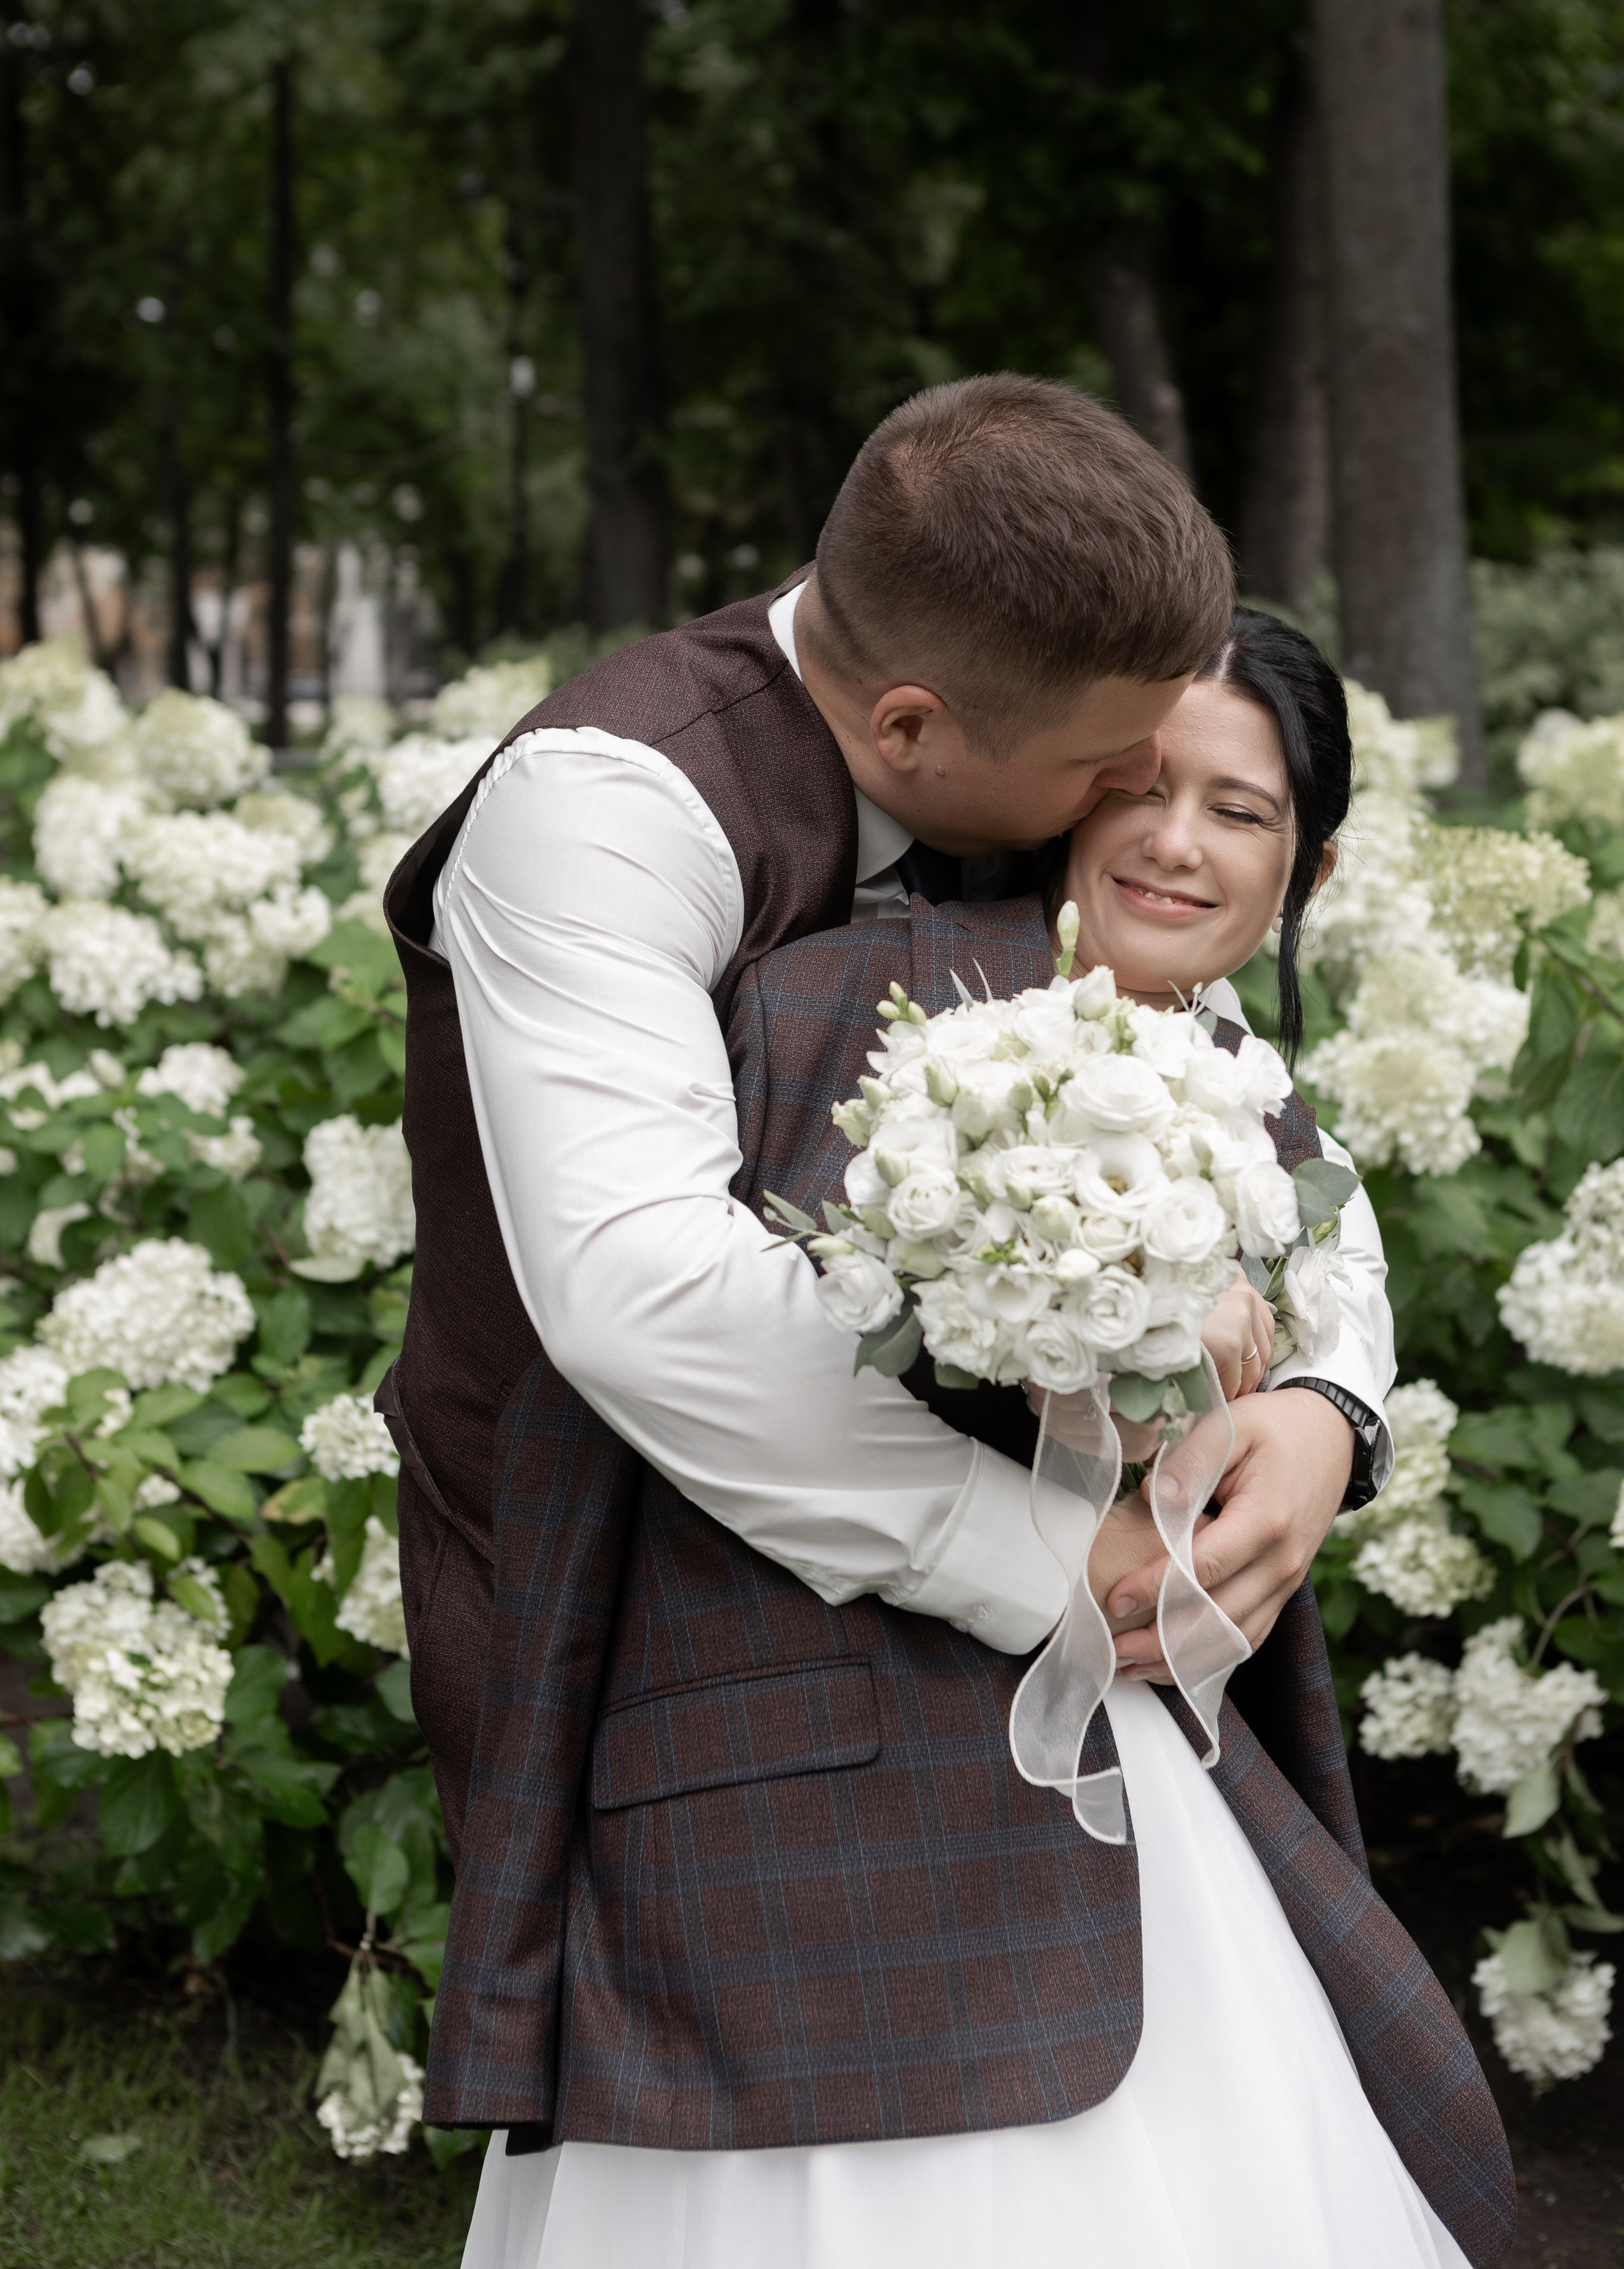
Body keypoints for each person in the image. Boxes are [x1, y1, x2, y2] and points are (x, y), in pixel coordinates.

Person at [452, 610, 1513, 2266]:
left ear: (1305, 865)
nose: (1176, 837)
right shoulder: (835, 1014)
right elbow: (669, 1328)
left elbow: (1325, 1225)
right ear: (1062, 793)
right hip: (808, 1737)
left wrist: (1324, 1405)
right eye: (1144, 788)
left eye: (1243, 811)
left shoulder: (1229, 1062)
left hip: (1126, 1732)